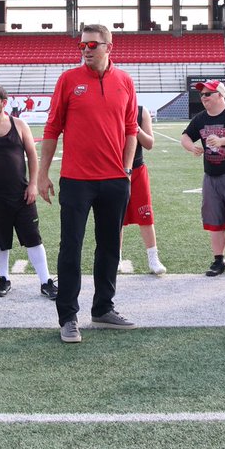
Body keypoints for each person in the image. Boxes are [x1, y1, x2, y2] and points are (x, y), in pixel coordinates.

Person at [38, 25, 138, 343]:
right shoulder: (68, 79)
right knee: (71, 247)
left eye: (93, 44)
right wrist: (42, 174)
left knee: (110, 247)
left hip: (114, 179)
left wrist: (125, 169)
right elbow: (52, 128)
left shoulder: (125, 81)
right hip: (77, 180)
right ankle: (68, 317)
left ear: (110, 46)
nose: (86, 49)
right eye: (82, 45)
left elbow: (131, 129)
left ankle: (103, 309)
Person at [0, 84, 58, 299]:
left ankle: (46, 281)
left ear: (3, 103)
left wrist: (32, 184)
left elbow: (33, 156)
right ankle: (4, 279)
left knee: (34, 239)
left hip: (22, 195)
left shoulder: (19, 125)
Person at [181, 80, 225, 277]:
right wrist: (191, 147)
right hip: (211, 176)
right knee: (215, 221)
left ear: (220, 95)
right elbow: (185, 136)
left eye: (207, 94)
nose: (203, 98)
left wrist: (222, 140)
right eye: (202, 94)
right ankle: (218, 260)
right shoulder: (200, 118)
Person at [122, 105, 167, 275]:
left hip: (137, 169)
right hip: (113, 169)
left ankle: (153, 258)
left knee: (145, 214)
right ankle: (115, 258)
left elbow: (149, 144)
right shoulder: (108, 105)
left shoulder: (141, 111)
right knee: (115, 217)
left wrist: (136, 127)